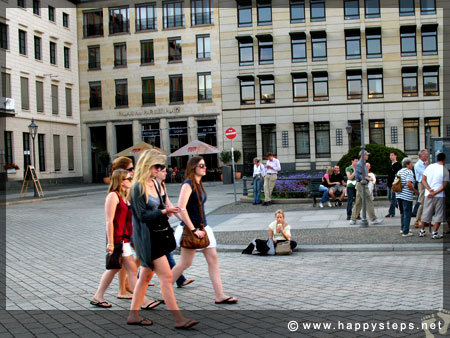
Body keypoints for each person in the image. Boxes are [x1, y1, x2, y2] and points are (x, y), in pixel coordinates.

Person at [128, 149, 197, 328]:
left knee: (144, 277)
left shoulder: (156, 184)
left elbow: (159, 208)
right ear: (147, 165)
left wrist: (169, 211)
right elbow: (142, 215)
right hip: (148, 239)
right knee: (166, 278)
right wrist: (165, 211)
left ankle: (133, 315)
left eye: (161, 166)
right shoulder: (138, 187)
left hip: (159, 235)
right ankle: (178, 319)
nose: (160, 169)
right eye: (157, 166)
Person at [172, 156, 238, 305]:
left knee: (212, 259)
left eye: (205, 165)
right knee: (185, 263)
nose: (204, 167)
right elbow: (181, 209)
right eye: (201, 165)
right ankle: (165, 289)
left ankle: (220, 295)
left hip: (203, 228)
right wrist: (193, 229)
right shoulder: (188, 184)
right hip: (191, 230)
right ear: (193, 167)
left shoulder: (198, 183)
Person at [90, 169, 158, 310]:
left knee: (116, 269)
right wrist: (110, 243)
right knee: (127, 269)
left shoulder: (125, 196)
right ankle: (142, 301)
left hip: (125, 239)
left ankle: (98, 296)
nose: (131, 181)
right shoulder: (113, 196)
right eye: (128, 179)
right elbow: (109, 221)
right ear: (121, 181)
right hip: (117, 239)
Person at [153, 167, 195, 288]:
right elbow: (157, 207)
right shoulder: (152, 186)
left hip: (163, 225)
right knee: (158, 257)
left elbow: (169, 204)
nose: (166, 173)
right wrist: (167, 211)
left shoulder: (162, 185)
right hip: (156, 226)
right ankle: (179, 279)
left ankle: (179, 279)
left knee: (165, 254)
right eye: (163, 171)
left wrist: (182, 219)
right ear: (156, 172)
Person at [110, 157, 136, 299]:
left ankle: (127, 286)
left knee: (120, 266)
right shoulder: (115, 194)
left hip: (128, 231)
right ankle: (127, 288)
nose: (133, 171)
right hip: (122, 234)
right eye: (130, 169)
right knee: (123, 265)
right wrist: (111, 242)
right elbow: (110, 220)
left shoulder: (126, 188)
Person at [419, 152, 449, 239]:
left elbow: (423, 179)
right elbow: (444, 185)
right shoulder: (445, 170)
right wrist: (435, 193)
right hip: (439, 195)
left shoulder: (429, 167)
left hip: (428, 194)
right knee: (439, 214)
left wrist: (429, 189)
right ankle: (435, 232)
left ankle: (422, 231)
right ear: (444, 160)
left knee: (426, 212)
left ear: (436, 159)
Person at [349, 151, 384, 225]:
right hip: (362, 184)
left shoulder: (362, 163)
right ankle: (373, 219)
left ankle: (353, 219)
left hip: (361, 184)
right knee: (368, 200)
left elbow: (360, 175)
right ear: (362, 155)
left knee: (359, 202)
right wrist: (368, 178)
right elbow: (358, 176)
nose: (368, 156)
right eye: (367, 155)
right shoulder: (360, 164)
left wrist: (367, 177)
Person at [396, 158, 418, 237]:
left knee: (402, 213)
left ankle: (403, 228)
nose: (412, 165)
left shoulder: (399, 171)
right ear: (407, 164)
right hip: (406, 196)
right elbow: (408, 183)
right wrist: (415, 191)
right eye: (411, 163)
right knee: (407, 213)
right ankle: (406, 232)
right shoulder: (409, 171)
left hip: (398, 195)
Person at [413, 149, 428, 228]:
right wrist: (427, 166)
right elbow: (426, 173)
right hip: (422, 183)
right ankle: (417, 220)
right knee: (422, 202)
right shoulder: (418, 164)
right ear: (421, 156)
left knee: (426, 203)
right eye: (425, 155)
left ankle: (424, 220)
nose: (427, 156)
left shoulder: (423, 164)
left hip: (425, 183)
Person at [386, 151, 402, 218]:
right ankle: (400, 207)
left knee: (393, 198)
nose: (391, 157)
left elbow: (398, 174)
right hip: (390, 183)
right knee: (390, 197)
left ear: (395, 156)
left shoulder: (397, 164)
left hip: (394, 183)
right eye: (390, 155)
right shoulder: (391, 164)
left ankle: (391, 212)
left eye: (392, 155)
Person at [345, 156, 358, 220]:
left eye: (357, 161)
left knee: (357, 201)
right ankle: (349, 214)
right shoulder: (348, 168)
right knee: (350, 200)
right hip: (350, 186)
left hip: (357, 186)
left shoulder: (359, 168)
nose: (356, 162)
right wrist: (355, 172)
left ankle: (357, 214)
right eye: (355, 161)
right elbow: (349, 177)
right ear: (352, 161)